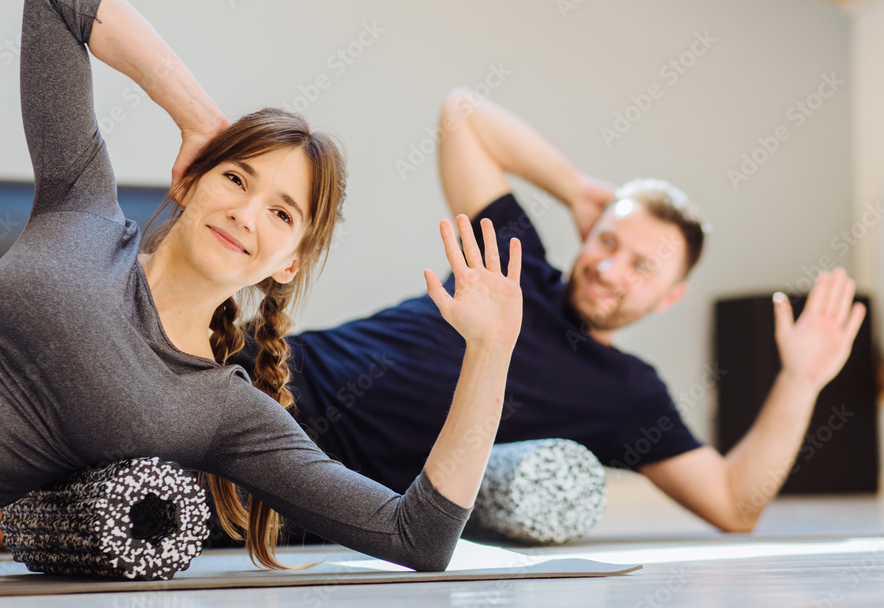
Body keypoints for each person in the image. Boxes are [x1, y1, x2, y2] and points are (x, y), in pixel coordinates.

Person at [0, 0, 525, 577]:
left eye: (282, 214)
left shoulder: (220, 412)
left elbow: (419, 536)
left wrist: (491, 351)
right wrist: (199, 118)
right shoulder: (81, 209)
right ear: (189, 181)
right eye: (237, 179)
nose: (247, 215)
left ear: (288, 265)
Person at [234, 89, 867, 535]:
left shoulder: (629, 395)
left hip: (314, 482)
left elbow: (734, 504)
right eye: (609, 241)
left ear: (670, 296)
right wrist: (577, 188)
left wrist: (800, 379)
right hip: (264, 374)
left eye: (643, 266)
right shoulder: (520, 262)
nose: (611, 268)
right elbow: (464, 114)